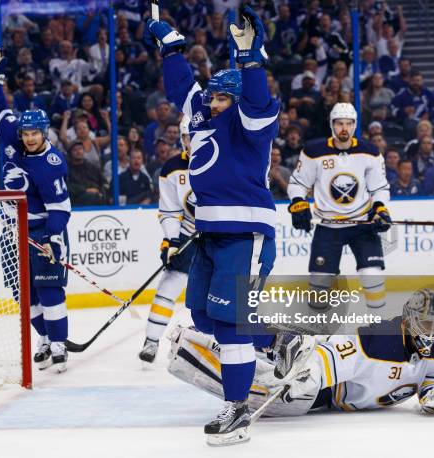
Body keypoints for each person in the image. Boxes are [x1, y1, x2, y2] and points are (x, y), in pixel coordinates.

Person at [144, 8, 288, 445]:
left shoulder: (249, 124)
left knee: (229, 325)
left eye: (222, 97)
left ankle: (237, 408)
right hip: (208, 233)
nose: (212, 101)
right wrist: (170, 47)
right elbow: (182, 88)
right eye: (212, 96)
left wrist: (250, 60)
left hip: (245, 234)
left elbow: (259, 101)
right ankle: (275, 340)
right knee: (203, 315)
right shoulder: (203, 117)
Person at [168, 289, 434, 418]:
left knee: (276, 343)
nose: (430, 330)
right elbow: (327, 359)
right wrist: (307, 376)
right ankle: (189, 345)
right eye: (425, 322)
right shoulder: (378, 340)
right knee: (282, 392)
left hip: (330, 377)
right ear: (409, 319)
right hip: (327, 384)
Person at [0, 45, 70, 373]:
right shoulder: (13, 140)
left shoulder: (51, 163)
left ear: (44, 132)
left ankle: (59, 344)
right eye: (26, 133)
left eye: (34, 133)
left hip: (40, 233)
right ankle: (45, 338)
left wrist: (52, 236)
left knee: (49, 291)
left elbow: (60, 207)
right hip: (11, 233)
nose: (29, 138)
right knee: (25, 297)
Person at [287, 103, 392, 311]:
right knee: (320, 281)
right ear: (331, 125)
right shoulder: (313, 152)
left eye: (348, 123)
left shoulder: (370, 153)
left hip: (363, 224)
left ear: (355, 125)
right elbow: (297, 184)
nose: (344, 128)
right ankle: (315, 332)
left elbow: (380, 188)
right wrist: (298, 202)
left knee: (372, 275)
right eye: (339, 123)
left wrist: (380, 208)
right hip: (328, 226)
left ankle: (380, 329)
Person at [138, 116, 197, 363]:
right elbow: (171, 211)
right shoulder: (173, 168)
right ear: (182, 140)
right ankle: (151, 341)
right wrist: (172, 240)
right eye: (188, 137)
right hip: (188, 234)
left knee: (219, 294)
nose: (193, 142)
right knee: (168, 286)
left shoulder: (224, 162)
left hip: (220, 236)